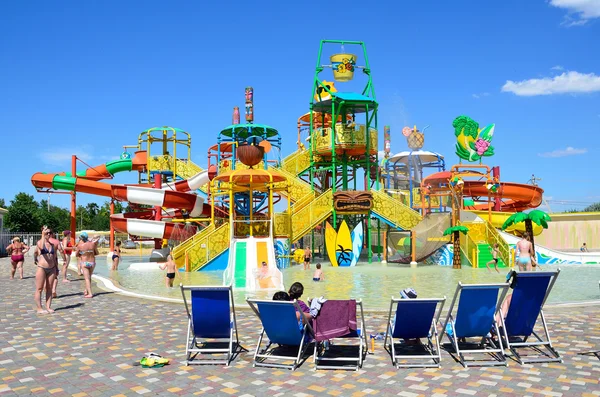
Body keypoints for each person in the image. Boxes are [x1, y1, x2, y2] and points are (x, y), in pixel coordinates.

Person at [33, 227, 65, 313]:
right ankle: (39, 308)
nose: (48, 234)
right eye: (47, 233)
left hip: (52, 268)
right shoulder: (40, 242)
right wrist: (43, 235)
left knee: (49, 288)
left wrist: (57, 268)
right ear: (43, 233)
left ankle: (48, 307)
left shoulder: (52, 245)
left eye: (50, 233)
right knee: (39, 288)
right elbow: (40, 247)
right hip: (42, 268)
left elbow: (54, 257)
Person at [76, 232, 98, 298]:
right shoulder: (92, 244)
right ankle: (86, 290)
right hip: (92, 262)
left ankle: (90, 293)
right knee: (89, 277)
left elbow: (76, 254)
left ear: (81, 238)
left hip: (84, 262)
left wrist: (82, 253)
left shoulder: (80, 246)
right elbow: (96, 253)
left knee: (86, 279)